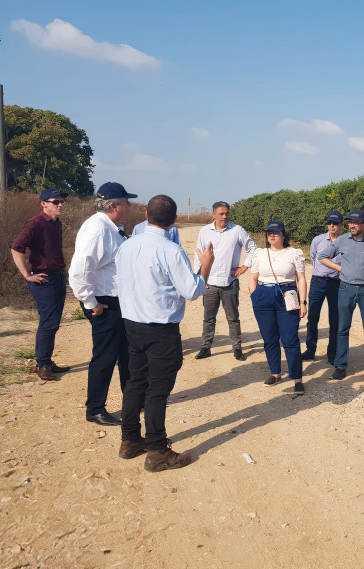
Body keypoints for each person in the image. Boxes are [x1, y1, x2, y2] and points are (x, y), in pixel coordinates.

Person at [115, 195, 213, 471]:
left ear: (146, 215)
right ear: (173, 221)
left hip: (132, 324)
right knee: (157, 390)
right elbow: (192, 291)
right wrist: (205, 264)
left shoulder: (127, 246)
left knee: (136, 382)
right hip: (160, 329)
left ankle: (130, 439)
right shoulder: (170, 250)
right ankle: (157, 451)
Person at [69, 182, 136, 427]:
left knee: (126, 353)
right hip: (103, 302)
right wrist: (89, 302)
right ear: (114, 205)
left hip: (116, 301)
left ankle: (132, 400)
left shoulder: (111, 227)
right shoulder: (97, 229)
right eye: (126, 202)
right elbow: (79, 269)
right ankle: (95, 409)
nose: (130, 205)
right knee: (105, 357)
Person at [316, 210, 364, 382]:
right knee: (342, 328)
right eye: (350, 222)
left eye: (356, 222)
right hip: (346, 288)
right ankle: (340, 366)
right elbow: (322, 256)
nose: (352, 225)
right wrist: (341, 269)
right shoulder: (342, 240)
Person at [10, 188, 70, 381]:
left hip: (58, 276)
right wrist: (27, 275)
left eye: (61, 202)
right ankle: (42, 365)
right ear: (43, 203)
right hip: (43, 278)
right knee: (48, 322)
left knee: (53, 322)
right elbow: (16, 248)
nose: (60, 205)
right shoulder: (35, 224)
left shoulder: (56, 223)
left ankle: (47, 360)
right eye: (55, 202)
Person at [193, 201, 258, 361]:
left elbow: (253, 249)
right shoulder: (204, 231)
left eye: (227, 213)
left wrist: (243, 267)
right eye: (221, 214)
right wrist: (200, 278)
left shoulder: (237, 231)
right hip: (210, 283)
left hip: (229, 283)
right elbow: (198, 255)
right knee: (209, 317)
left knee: (233, 317)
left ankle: (237, 348)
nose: (225, 216)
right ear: (213, 214)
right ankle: (206, 347)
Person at [248, 220, 308, 394]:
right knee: (269, 338)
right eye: (269, 233)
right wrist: (255, 296)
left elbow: (301, 279)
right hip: (263, 295)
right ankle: (275, 373)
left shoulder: (293, 253)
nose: (272, 236)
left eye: (275, 232)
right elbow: (253, 278)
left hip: (287, 294)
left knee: (290, 339)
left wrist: (303, 302)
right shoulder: (260, 254)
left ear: (283, 235)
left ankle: (297, 378)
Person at [302, 211, 343, 364]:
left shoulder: (346, 241)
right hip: (318, 281)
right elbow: (314, 258)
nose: (332, 225)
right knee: (312, 317)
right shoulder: (318, 240)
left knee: (335, 318)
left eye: (335, 223)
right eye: (329, 222)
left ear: (341, 225)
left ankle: (332, 353)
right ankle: (310, 350)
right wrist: (321, 271)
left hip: (336, 282)